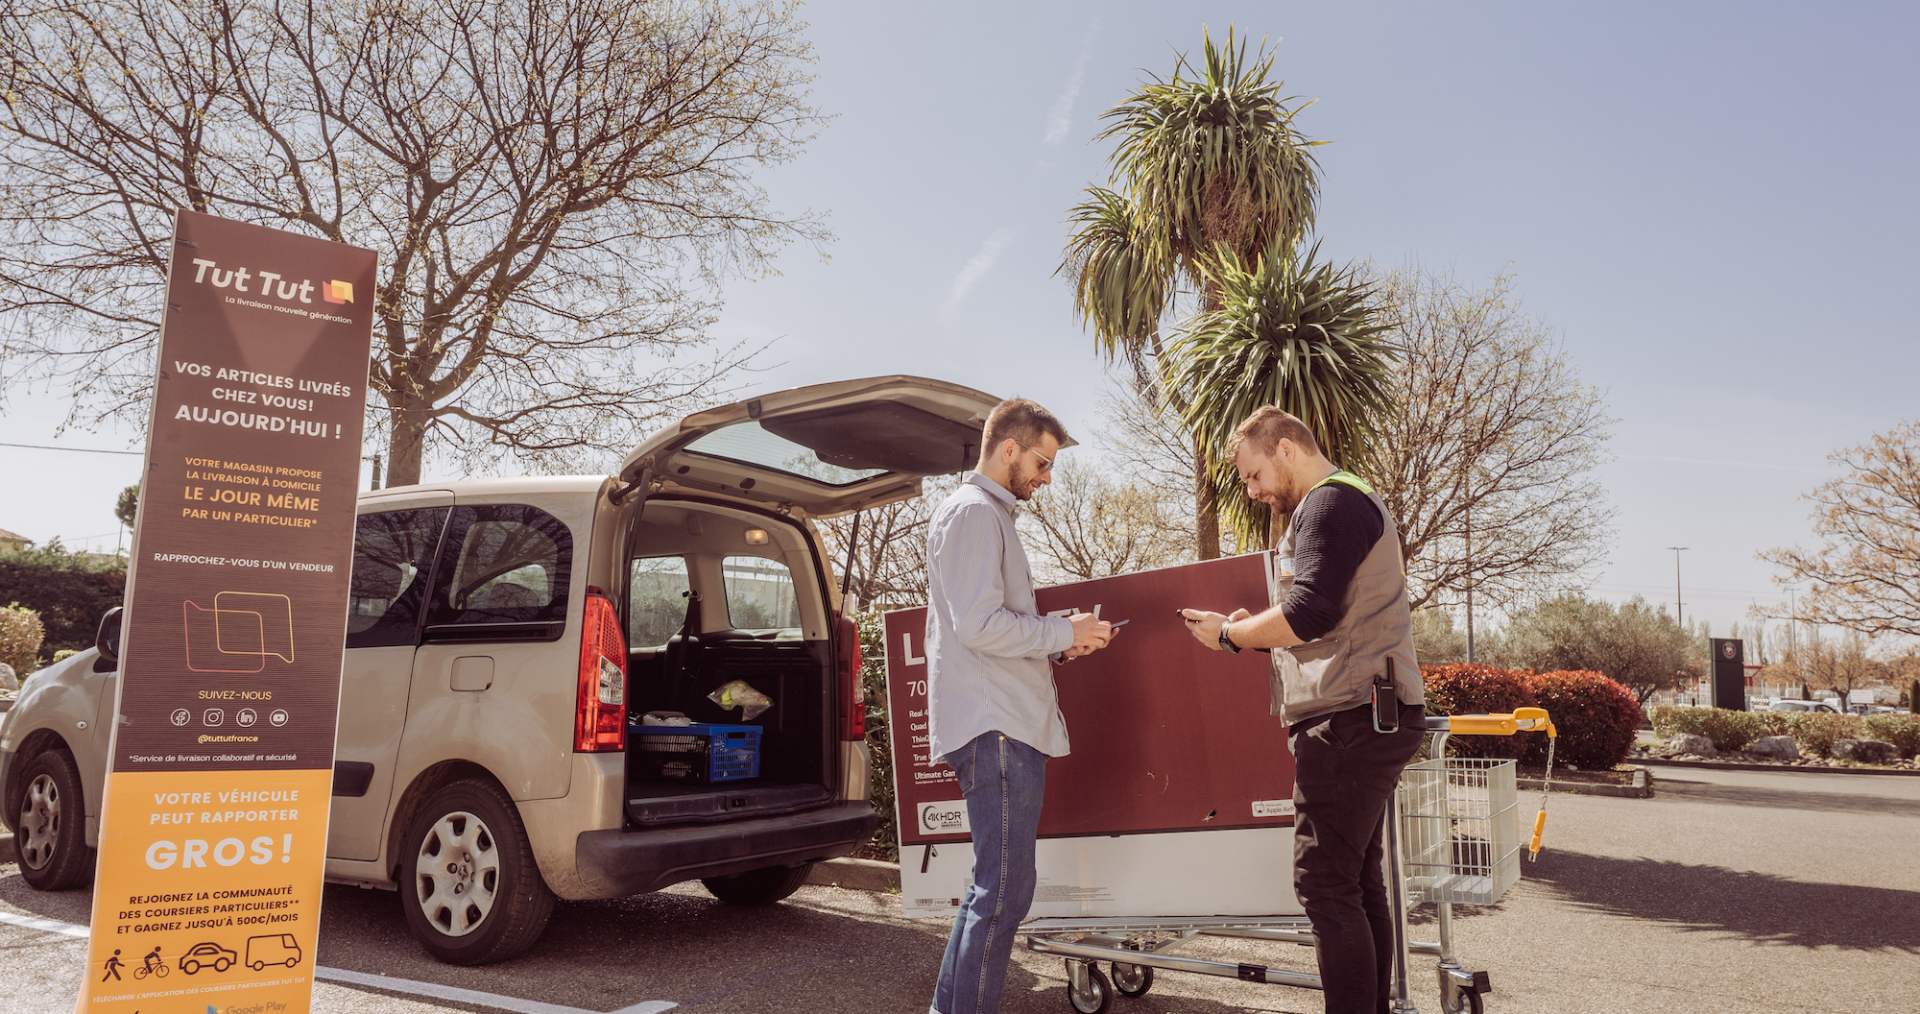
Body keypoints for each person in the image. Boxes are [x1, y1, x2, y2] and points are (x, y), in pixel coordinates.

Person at [1179, 406, 1425, 1014]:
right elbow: (1324, 618)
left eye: (1254, 474)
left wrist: (1231, 636)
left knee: (1324, 883)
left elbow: (1310, 613)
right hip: (1369, 712)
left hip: (1349, 718)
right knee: (1356, 882)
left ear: (1286, 448)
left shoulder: (1329, 503)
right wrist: (1251, 629)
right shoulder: (1347, 500)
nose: (1252, 491)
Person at [925, 398, 1116, 1014]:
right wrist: (1060, 633)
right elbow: (979, 625)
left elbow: (985, 626)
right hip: (997, 727)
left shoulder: (982, 514)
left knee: (994, 888)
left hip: (999, 724)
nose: (1047, 477)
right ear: (1009, 448)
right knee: (1003, 890)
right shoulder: (975, 513)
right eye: (1042, 462)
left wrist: (1063, 638)